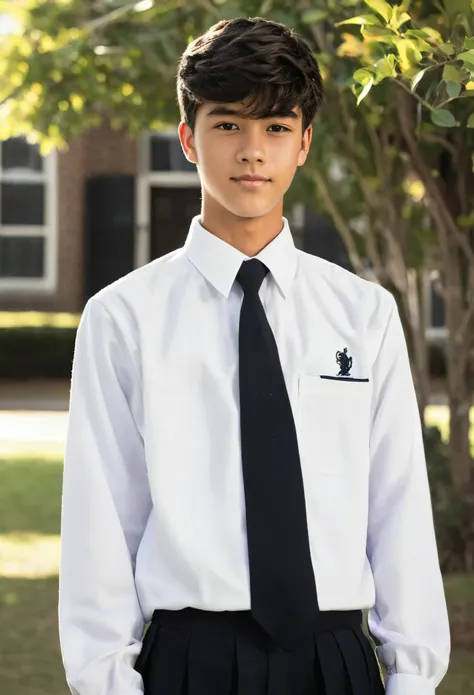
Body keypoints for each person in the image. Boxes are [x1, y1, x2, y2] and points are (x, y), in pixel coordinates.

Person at [58, 16, 450, 695]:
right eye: (228, 125)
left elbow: (398, 510)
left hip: (337, 662)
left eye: (275, 128)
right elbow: (101, 522)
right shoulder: (123, 319)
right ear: (189, 137)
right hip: (189, 662)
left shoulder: (364, 315)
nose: (252, 152)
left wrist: (411, 678)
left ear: (303, 144)